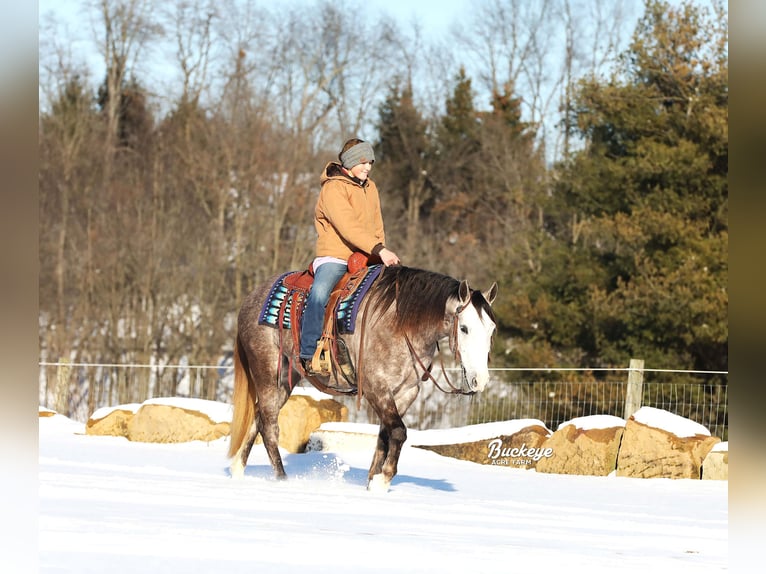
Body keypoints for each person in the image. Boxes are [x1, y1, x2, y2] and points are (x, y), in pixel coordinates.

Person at [299, 138, 400, 377]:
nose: (368, 167)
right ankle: (309, 352)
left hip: (367, 254)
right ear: (350, 162)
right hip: (335, 255)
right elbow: (348, 228)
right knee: (319, 294)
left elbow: (377, 225)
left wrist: (380, 250)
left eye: (370, 162)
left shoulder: (370, 187)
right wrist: (379, 250)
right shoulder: (333, 189)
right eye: (363, 162)